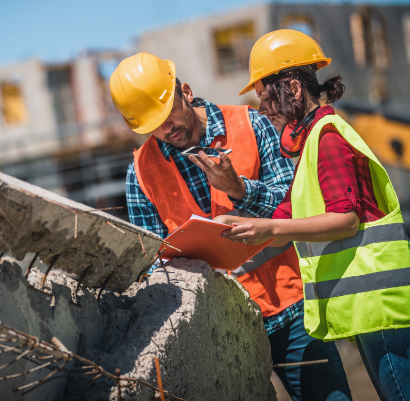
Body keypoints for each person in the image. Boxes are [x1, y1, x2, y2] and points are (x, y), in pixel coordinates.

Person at [110, 52, 353, 401]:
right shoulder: (141, 173)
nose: (166, 128)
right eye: (153, 124)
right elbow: (152, 266)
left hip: (291, 310)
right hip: (218, 331)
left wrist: (239, 190)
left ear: (187, 92)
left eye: (168, 114)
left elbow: (296, 205)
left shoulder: (251, 123)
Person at [216, 29, 410, 401]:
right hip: (373, 307)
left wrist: (269, 226)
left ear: (291, 88)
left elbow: (345, 220)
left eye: (265, 96)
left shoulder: (328, 138)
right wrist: (231, 225)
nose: (263, 109)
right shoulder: (312, 142)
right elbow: (288, 214)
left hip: (383, 305)